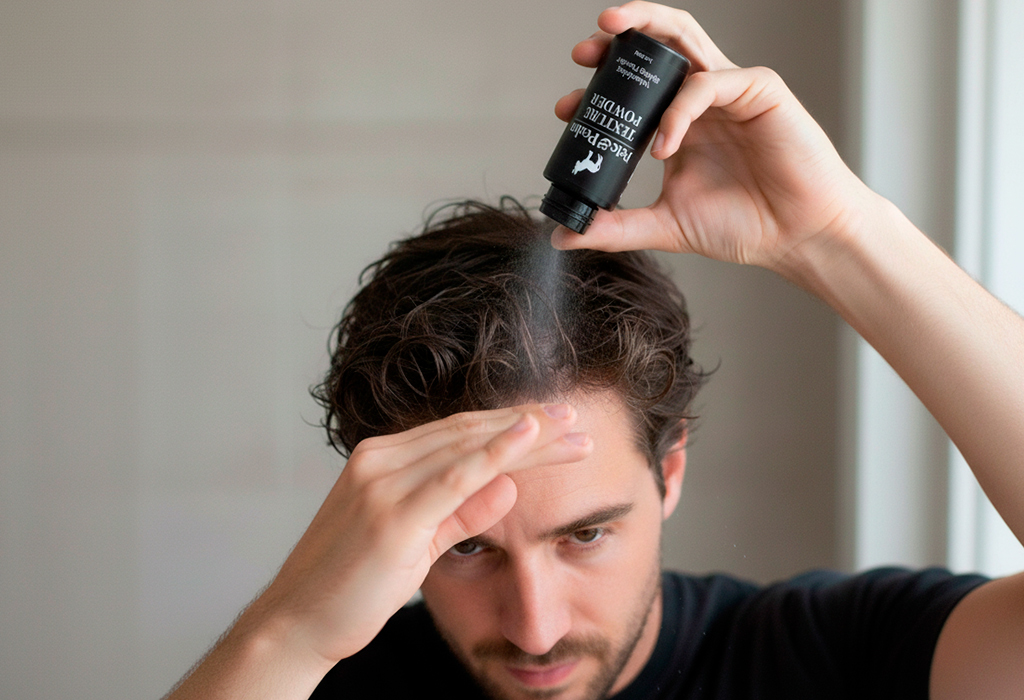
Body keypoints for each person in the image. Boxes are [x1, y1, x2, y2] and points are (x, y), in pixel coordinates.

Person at [163, 3, 1024, 699]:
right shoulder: (308, 677)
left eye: (585, 535)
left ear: (670, 471)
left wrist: (837, 235)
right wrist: (289, 631)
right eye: (467, 547)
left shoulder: (841, 660)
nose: (533, 628)